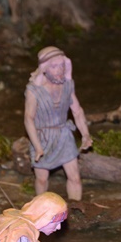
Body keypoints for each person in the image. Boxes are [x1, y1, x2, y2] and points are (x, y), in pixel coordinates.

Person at [24, 46, 92, 201]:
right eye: (54, 66)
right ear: (45, 69)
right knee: (42, 179)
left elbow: (77, 111)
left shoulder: (67, 85)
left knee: (75, 177)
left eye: (62, 65)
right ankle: (41, 209)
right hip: (42, 137)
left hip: (64, 135)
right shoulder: (34, 90)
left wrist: (85, 135)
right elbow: (29, 119)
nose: (59, 70)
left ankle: (75, 208)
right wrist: (37, 146)